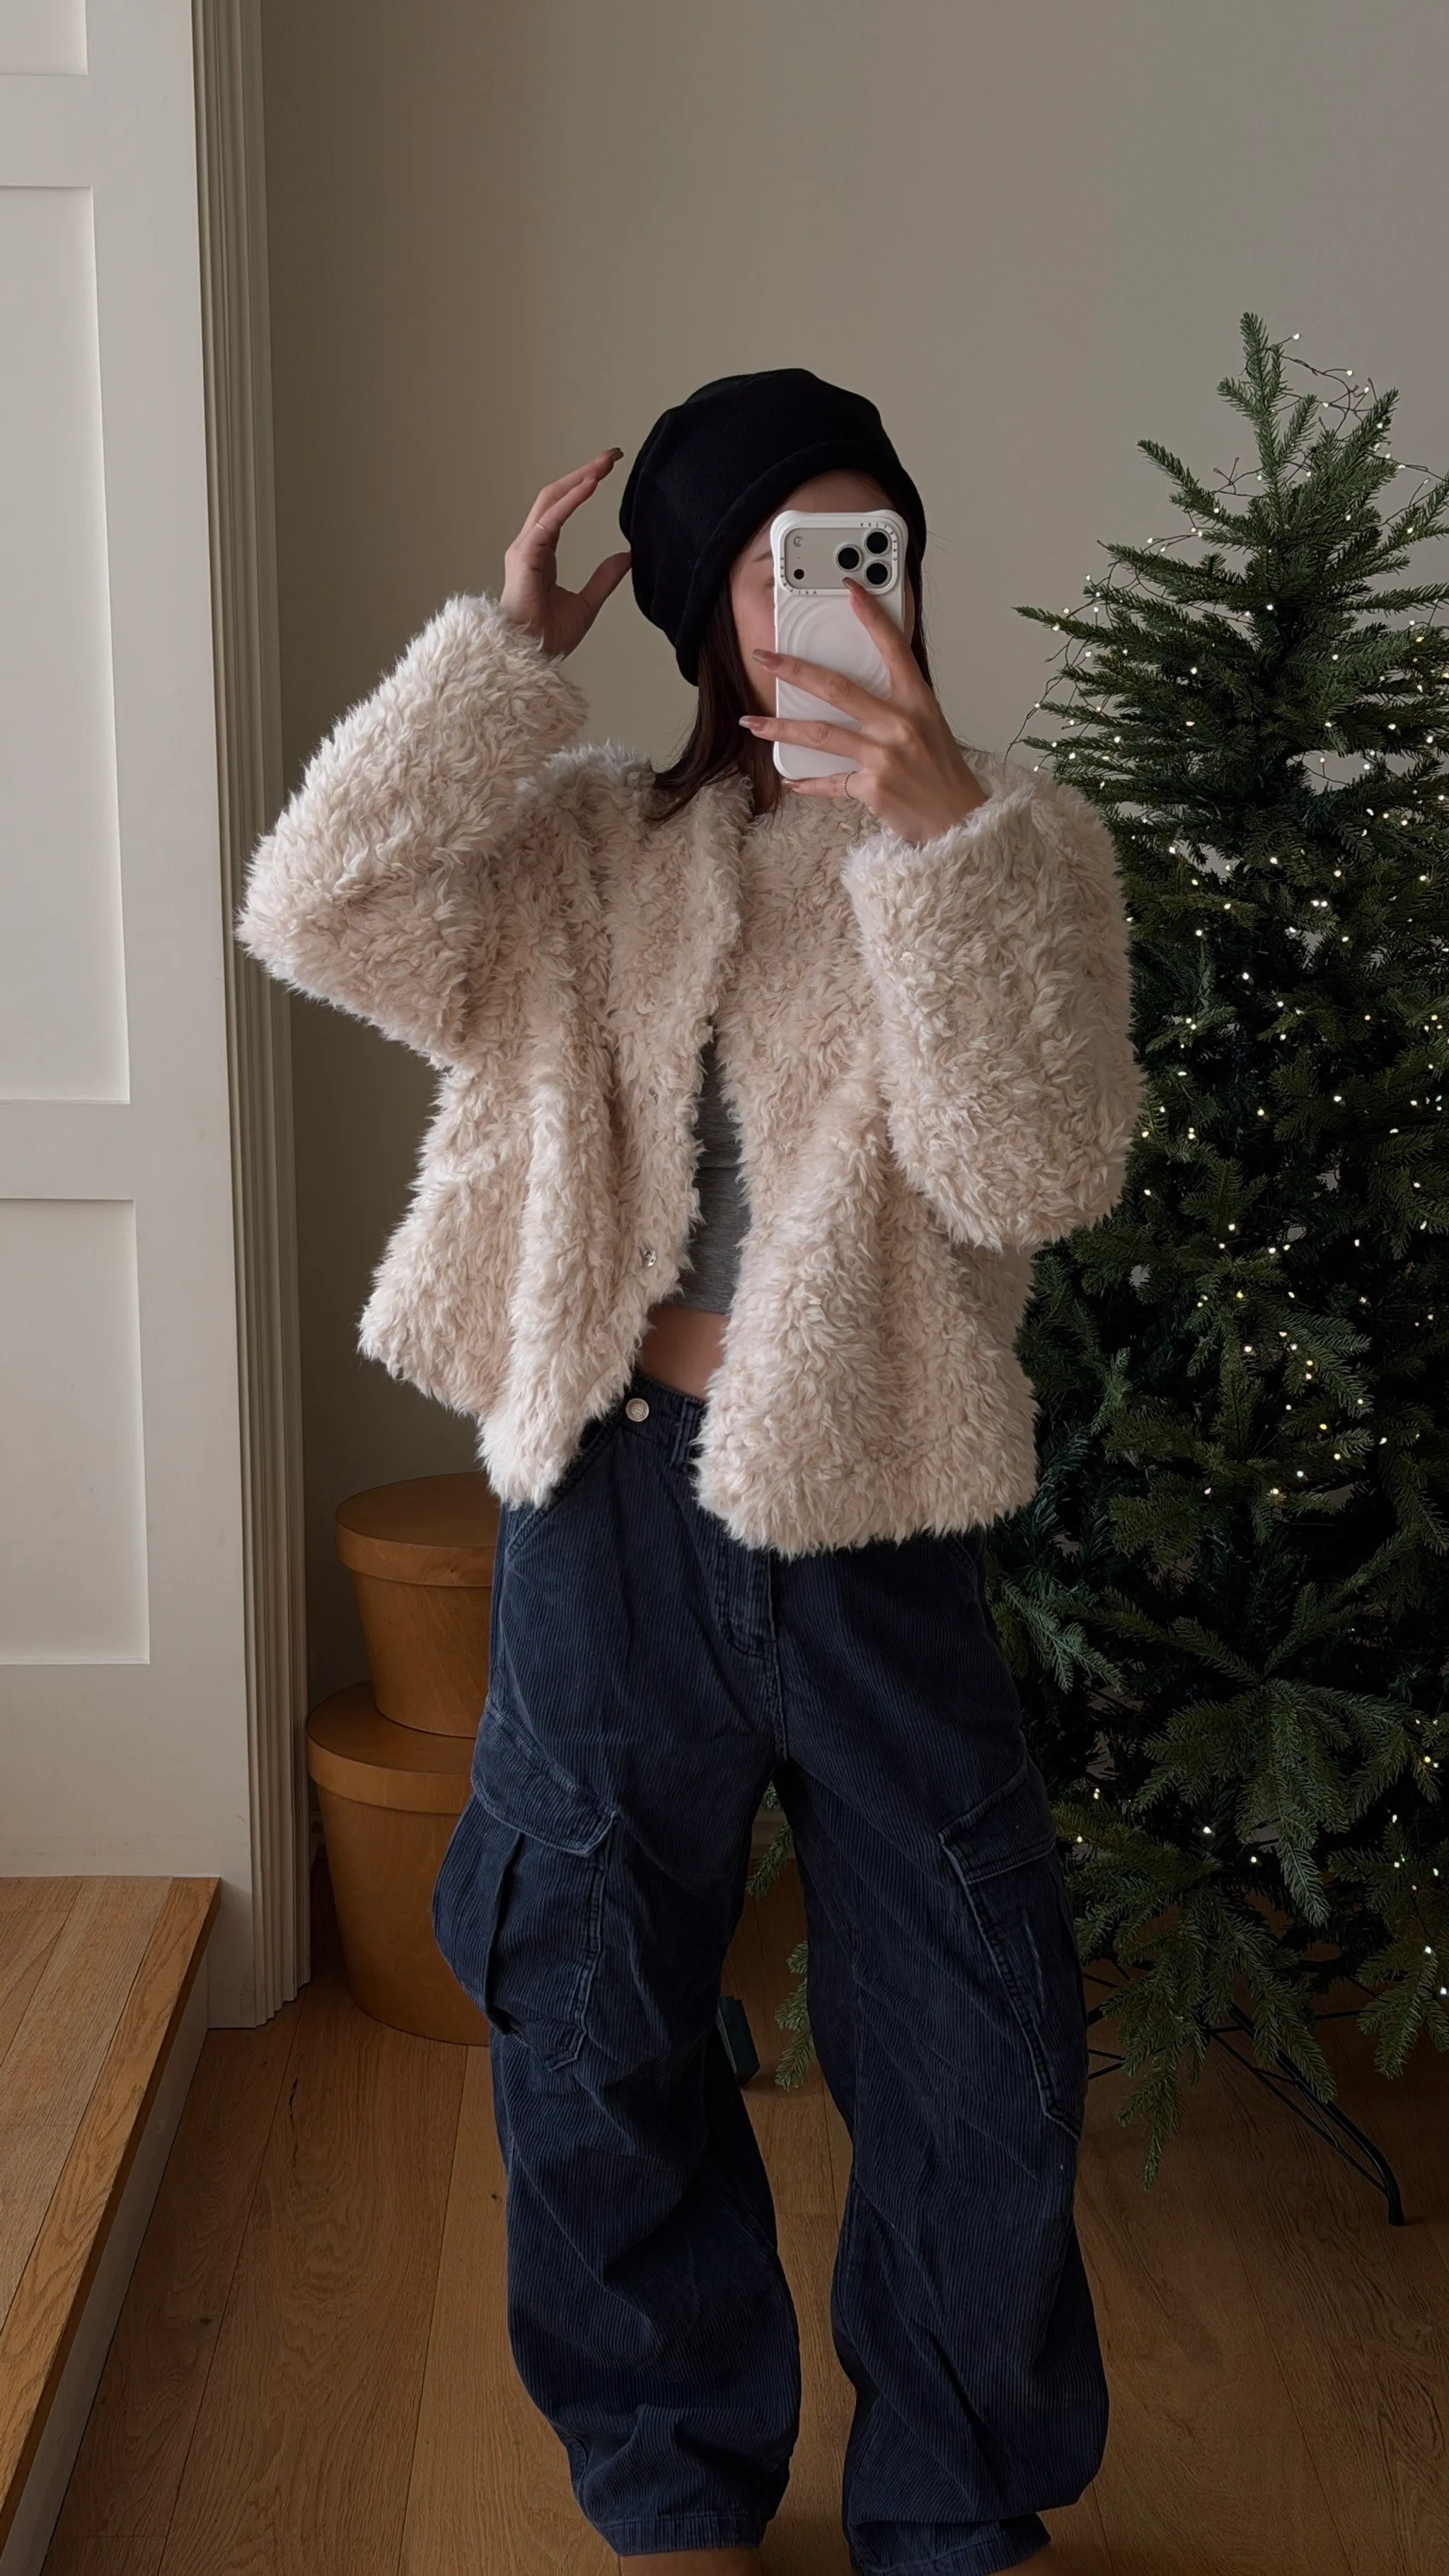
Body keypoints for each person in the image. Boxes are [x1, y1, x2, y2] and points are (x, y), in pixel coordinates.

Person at [234, 368, 1142, 2576]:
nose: (826, 597)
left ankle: (955, 2494)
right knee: (585, 2002)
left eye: (864, 547)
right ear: (700, 599)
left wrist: (937, 849)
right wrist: (496, 667)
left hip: (874, 1501)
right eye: (774, 560)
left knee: (968, 2015)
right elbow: (316, 909)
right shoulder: (581, 848)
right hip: (608, 1505)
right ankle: (667, 2483)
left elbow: (1038, 1172)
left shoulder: (1016, 837)